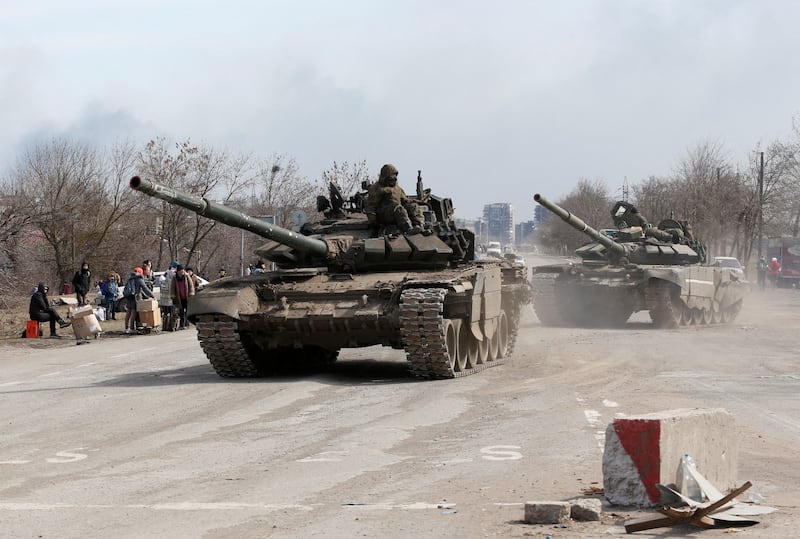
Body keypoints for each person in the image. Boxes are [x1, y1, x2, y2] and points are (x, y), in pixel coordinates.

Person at [365, 164, 426, 234]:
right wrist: (373, 221)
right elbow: (371, 206)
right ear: (386, 177)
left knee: (413, 206)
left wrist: (413, 202)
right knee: (398, 208)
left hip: (397, 213)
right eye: (392, 176)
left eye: (395, 176)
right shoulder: (377, 188)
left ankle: (419, 225)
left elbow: (404, 200)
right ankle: (408, 228)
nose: (395, 178)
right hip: (383, 215)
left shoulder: (397, 188)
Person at [123, 267, 154, 334]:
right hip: (135, 298)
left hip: (129, 297)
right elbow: (145, 289)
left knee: (128, 312)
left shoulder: (130, 278)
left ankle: (126, 328)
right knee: (133, 313)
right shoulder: (139, 279)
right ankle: (131, 328)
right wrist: (152, 296)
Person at [170, 264, 196, 329]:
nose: (182, 272)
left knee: (187, 311)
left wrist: (191, 293)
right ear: (178, 271)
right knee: (181, 312)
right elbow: (172, 287)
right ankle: (182, 325)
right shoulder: (175, 277)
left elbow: (191, 285)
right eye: (180, 271)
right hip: (179, 297)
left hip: (186, 296)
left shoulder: (186, 276)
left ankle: (186, 324)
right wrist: (172, 294)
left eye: (182, 270)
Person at [159, 261, 179, 330]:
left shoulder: (166, 273)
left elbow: (161, 280)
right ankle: (172, 327)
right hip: (172, 296)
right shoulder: (174, 273)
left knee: (165, 313)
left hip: (164, 297)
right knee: (173, 312)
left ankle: (165, 326)